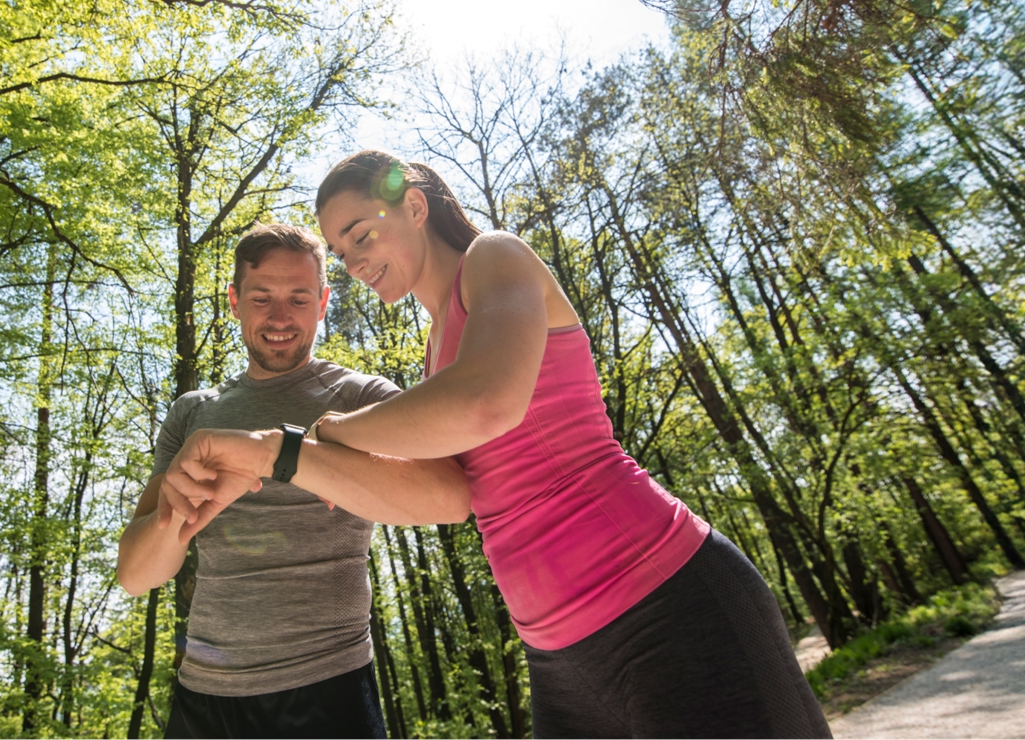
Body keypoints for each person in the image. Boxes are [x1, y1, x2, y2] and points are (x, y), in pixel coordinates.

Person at [162, 152, 833, 738]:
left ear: (415, 207)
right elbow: (445, 487)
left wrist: (321, 433)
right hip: (555, 651)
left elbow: (486, 403)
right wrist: (303, 467)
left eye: (361, 234)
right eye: (341, 252)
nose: (356, 261)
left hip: (663, 601)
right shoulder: (435, 351)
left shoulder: (497, 258)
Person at [116, 223, 470, 739]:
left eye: (299, 299)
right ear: (235, 301)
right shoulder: (193, 413)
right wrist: (178, 511)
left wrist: (280, 456)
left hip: (329, 688)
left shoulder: (361, 398)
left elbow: (452, 496)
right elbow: (135, 575)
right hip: (204, 696)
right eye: (262, 298)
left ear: (324, 302)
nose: (280, 318)